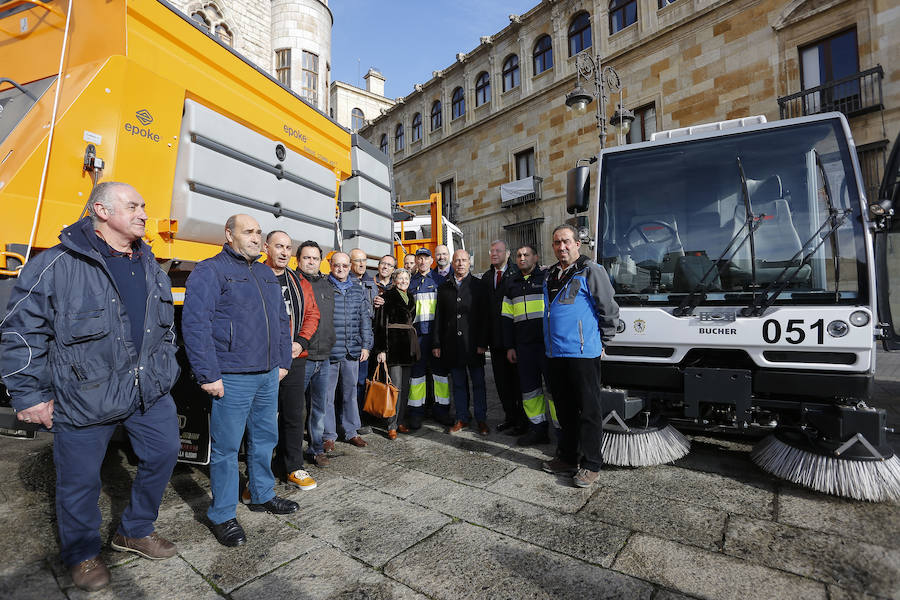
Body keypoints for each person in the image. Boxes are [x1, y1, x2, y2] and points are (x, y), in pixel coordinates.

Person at [2, 183, 179, 590]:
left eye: (143, 205)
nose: (143, 213)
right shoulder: (58, 263)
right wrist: (28, 394)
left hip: (146, 392)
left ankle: (134, 529)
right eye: (133, 205)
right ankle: (81, 554)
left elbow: (164, 329)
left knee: (166, 451)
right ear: (101, 209)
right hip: (84, 394)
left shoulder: (149, 264)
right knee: (79, 481)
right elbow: (22, 330)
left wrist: (163, 369)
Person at [182, 214, 296, 548]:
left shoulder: (264, 273)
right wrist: (208, 374)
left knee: (264, 439)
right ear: (228, 234)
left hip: (267, 375)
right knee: (227, 449)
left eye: (259, 232)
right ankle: (222, 514)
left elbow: (280, 320)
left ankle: (261, 494)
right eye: (249, 231)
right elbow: (196, 324)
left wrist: (282, 362)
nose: (256, 237)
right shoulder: (210, 270)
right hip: (231, 377)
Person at [540, 224, 620, 488]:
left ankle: (591, 464)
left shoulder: (591, 270)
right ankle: (567, 457)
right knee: (564, 410)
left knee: (588, 410)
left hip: (583, 353)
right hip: (555, 353)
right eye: (556, 242)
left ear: (577, 243)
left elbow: (607, 307)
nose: (561, 247)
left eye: (565, 241)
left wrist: (605, 340)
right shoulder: (551, 274)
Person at [264, 231, 319, 491]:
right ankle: (259, 473)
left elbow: (312, 314)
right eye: (279, 246)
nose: (284, 252)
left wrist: (301, 342)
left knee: (293, 415)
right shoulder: (255, 276)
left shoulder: (300, 283)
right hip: (262, 359)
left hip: (295, 357)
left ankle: (293, 467)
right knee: (262, 419)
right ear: (267, 248)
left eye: (288, 247)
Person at [433, 249, 491, 435]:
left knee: (478, 384)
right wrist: (436, 343)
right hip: (452, 345)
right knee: (458, 384)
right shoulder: (444, 287)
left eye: (464, 260)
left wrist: (483, 342)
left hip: (473, 345)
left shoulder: (479, 286)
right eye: (457, 260)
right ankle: (462, 418)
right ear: (452, 262)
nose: (460, 263)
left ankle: (481, 419)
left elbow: (485, 317)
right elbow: (439, 318)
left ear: (469, 263)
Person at [501, 245, 552, 446]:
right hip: (523, 347)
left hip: (547, 345)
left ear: (535, 258)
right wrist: (509, 346)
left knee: (554, 389)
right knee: (530, 391)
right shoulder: (511, 284)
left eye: (526, 255)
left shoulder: (547, 279)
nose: (522, 258)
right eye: (519, 255)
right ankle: (538, 429)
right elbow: (506, 318)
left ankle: (561, 429)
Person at [325, 252, 374, 448]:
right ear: (330, 265)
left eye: (345, 266)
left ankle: (351, 431)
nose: (341, 269)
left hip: (352, 350)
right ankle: (328, 435)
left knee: (350, 392)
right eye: (337, 265)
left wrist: (366, 345)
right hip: (330, 351)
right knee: (327, 396)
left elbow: (365, 320)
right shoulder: (324, 287)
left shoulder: (357, 289)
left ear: (349, 267)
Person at [296, 240, 337, 467]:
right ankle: (289, 452)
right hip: (303, 357)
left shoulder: (326, 285)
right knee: (294, 409)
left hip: (324, 357)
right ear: (298, 259)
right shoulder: (294, 283)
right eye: (306, 258)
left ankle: (316, 448)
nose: (311, 262)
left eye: (314, 258)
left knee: (319, 407)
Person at [482, 240, 525, 435]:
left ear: (508, 254)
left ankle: (523, 421)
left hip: (514, 341)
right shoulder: (486, 276)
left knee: (518, 384)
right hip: (495, 341)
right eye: (492, 251)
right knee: (501, 385)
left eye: (498, 251)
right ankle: (510, 417)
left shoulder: (517, 274)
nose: (494, 254)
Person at [373, 268, 420, 438]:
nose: (403, 281)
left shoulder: (412, 297)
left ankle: (400, 421)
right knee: (394, 387)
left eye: (406, 278)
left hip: (408, 347)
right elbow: (380, 324)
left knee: (406, 387)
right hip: (392, 346)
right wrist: (381, 350)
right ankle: (391, 424)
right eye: (400, 278)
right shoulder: (386, 296)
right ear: (394, 280)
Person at [408, 248, 452, 427]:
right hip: (417, 337)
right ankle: (416, 412)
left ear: (431, 260)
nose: (423, 261)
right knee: (417, 376)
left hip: (436, 336)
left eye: (426, 258)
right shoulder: (410, 282)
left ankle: (441, 411)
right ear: (416, 261)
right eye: (419, 258)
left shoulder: (441, 281)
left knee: (440, 375)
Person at [350, 248, 380, 434]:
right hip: (351, 339)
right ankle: (348, 418)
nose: (362, 264)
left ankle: (359, 418)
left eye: (364, 260)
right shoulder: (347, 281)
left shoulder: (371, 282)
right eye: (358, 260)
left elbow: (374, 314)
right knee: (348, 383)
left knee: (362, 381)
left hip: (366, 340)